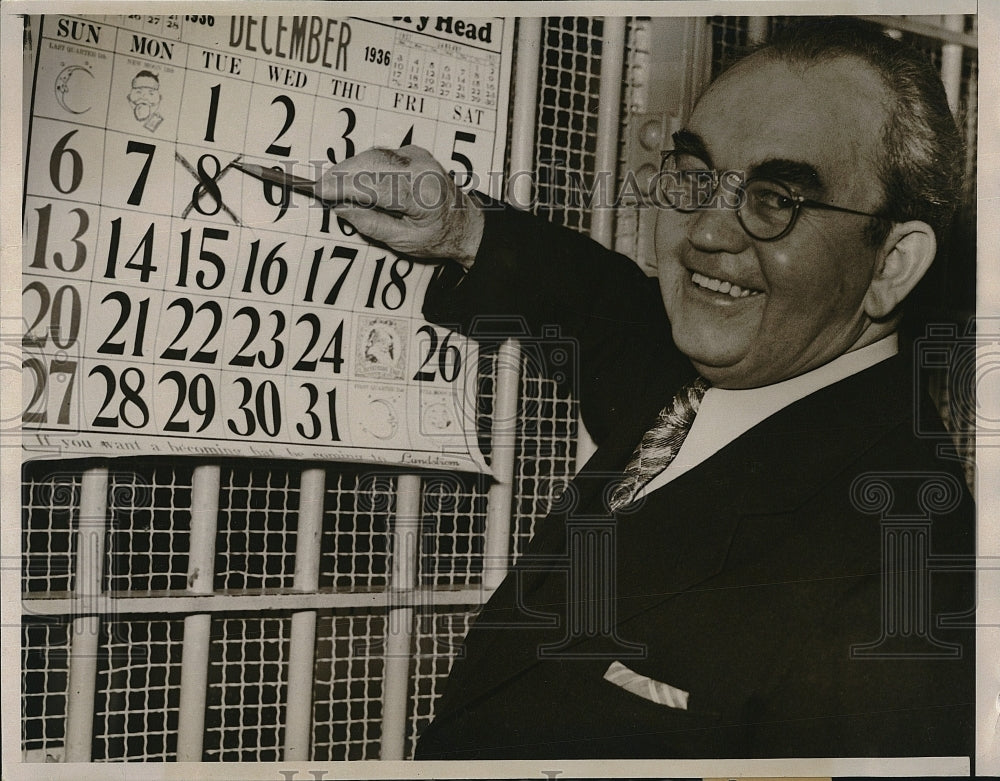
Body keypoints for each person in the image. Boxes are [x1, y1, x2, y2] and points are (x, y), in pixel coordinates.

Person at [322, 18, 975, 759]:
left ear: (892, 262)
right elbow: (596, 302)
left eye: (774, 199)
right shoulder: (720, 368)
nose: (705, 233)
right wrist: (459, 225)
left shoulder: (904, 579)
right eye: (696, 176)